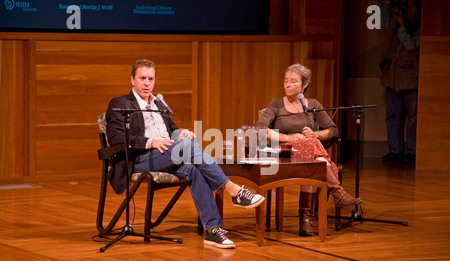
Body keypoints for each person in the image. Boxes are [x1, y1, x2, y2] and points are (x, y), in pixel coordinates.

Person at [105, 59, 264, 249]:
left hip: (167, 154)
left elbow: (171, 129)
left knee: (193, 169)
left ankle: (213, 231)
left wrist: (181, 133)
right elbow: (115, 138)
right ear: (132, 80)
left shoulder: (159, 103)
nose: (147, 83)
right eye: (142, 78)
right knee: (187, 147)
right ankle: (234, 191)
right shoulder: (120, 103)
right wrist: (151, 142)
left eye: (151, 79)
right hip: (140, 158)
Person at [257, 63, 362, 237]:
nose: (287, 85)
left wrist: (315, 134)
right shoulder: (276, 104)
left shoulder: (312, 104)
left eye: (292, 81)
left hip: (307, 154)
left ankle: (306, 221)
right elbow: (259, 129)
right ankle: (336, 195)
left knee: (314, 161)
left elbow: (333, 130)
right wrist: (290, 138)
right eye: (285, 81)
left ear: (304, 85)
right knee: (315, 156)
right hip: (283, 152)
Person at [380, 0, 421, 164]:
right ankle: (395, 151)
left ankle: (412, 152)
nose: (407, 10)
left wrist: (402, 25)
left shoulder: (421, 28)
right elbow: (382, 18)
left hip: (412, 82)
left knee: (413, 118)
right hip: (393, 80)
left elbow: (411, 45)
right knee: (393, 117)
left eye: (410, 6)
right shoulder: (396, 26)